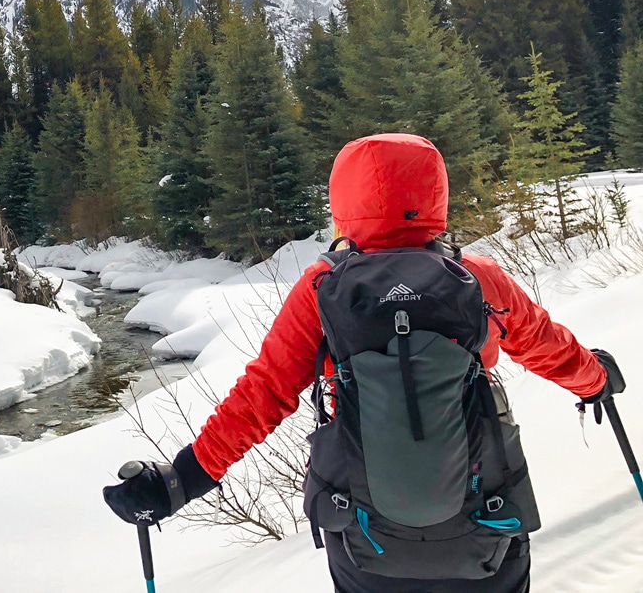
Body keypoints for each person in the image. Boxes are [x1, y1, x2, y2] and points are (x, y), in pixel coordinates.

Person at [104, 133, 625, 592]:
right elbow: (544, 344)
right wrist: (596, 378)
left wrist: (183, 479)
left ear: (344, 199)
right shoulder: (480, 279)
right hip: (485, 524)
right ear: (434, 194)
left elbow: (262, 396)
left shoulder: (321, 289)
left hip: (365, 538)